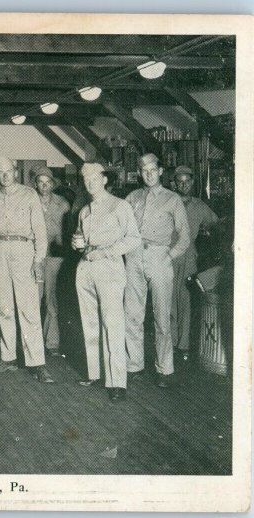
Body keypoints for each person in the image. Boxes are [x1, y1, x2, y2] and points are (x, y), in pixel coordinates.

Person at [0, 156, 53, 383]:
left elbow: (40, 231)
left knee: (29, 309)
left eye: (8, 171)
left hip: (24, 250)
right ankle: (8, 358)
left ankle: (37, 363)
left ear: (15, 172)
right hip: (1, 250)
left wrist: (38, 259)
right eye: (0, 172)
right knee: (5, 308)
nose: (5, 175)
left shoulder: (29, 194)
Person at [72, 163, 141, 401]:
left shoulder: (120, 206)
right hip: (86, 267)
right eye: (86, 179)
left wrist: (106, 251)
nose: (89, 183)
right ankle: (95, 372)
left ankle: (117, 382)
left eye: (94, 178)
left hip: (109, 267)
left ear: (104, 179)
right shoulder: (85, 211)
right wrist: (77, 244)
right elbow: (81, 239)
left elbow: (133, 239)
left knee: (112, 323)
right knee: (89, 321)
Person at [125, 153, 190, 388]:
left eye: (153, 170)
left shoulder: (173, 200)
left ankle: (164, 369)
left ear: (161, 171)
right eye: (144, 171)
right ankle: (134, 365)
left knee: (162, 316)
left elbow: (184, 237)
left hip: (159, 256)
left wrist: (167, 256)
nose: (149, 174)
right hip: (133, 256)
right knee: (132, 314)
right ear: (140, 173)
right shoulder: (132, 197)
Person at [171, 165, 219, 361]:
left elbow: (216, 224)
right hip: (169, 255)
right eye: (179, 181)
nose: (183, 185)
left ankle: (183, 346)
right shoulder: (168, 202)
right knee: (169, 301)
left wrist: (208, 232)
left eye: (187, 181)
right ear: (174, 183)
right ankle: (170, 343)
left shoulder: (200, 206)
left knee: (186, 301)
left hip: (190, 256)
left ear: (192, 182)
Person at [32, 166, 71, 356]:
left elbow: (69, 229)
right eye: (41, 182)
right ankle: (33, 343)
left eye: (48, 183)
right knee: (34, 298)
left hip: (55, 256)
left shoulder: (63, 203)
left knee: (52, 300)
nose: (44, 186)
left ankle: (52, 342)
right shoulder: (29, 201)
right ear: (36, 184)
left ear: (53, 184)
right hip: (35, 256)